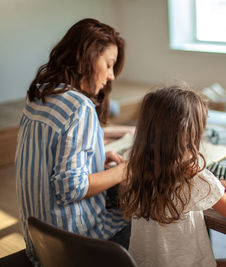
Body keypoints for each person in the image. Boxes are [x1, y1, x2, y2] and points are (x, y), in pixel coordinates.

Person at [15, 18, 129, 266]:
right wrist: (125, 170)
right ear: (86, 57)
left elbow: (52, 160)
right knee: (152, 220)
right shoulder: (79, 106)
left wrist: (97, 159)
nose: (111, 76)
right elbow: (71, 188)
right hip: (77, 246)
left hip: (42, 245)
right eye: (109, 65)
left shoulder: (40, 94)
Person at [119, 85, 226, 267]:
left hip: (145, 264)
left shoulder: (137, 167)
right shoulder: (194, 176)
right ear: (188, 133)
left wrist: (215, 187)